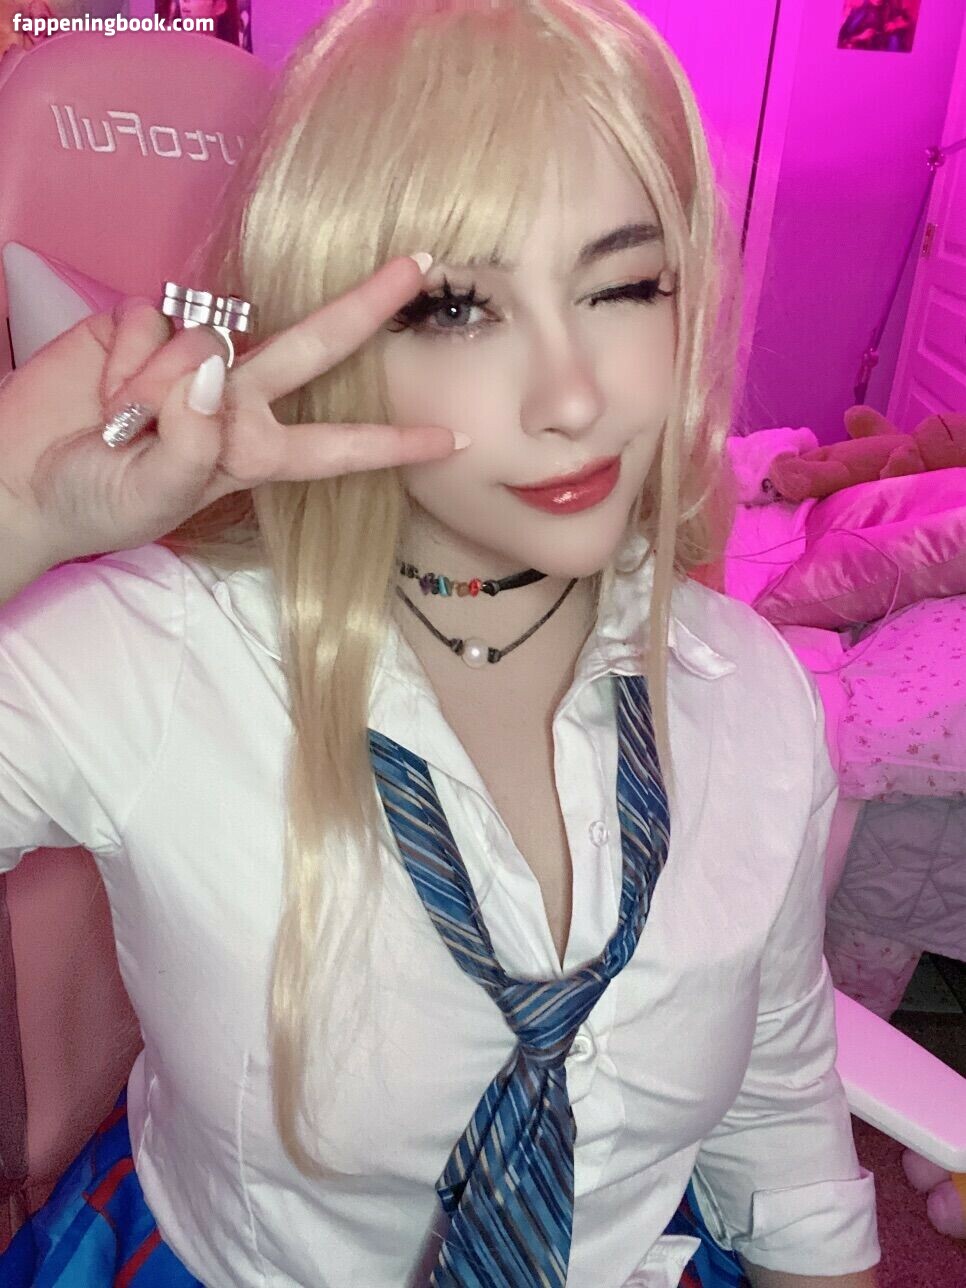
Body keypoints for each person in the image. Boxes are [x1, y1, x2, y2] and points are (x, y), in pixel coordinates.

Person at [0, 1, 880, 1285]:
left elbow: (778, 1118)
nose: (573, 396)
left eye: (623, 285)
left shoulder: (753, 693)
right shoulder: (152, 655)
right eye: (460, 308)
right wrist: (10, 513)